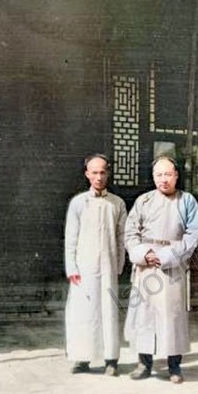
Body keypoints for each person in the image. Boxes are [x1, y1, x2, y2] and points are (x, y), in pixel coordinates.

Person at [124, 156, 198, 384]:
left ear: (176, 175)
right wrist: (142, 254)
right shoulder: (143, 201)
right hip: (146, 264)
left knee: (172, 315)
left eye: (168, 174)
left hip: (172, 262)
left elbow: (192, 235)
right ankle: (143, 363)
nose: (163, 180)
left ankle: (174, 365)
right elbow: (130, 233)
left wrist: (168, 256)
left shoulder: (187, 201)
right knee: (144, 314)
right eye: (159, 175)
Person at [64, 154, 127, 376]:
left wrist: (118, 266)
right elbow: (71, 237)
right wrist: (72, 268)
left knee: (108, 311)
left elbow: (121, 238)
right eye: (94, 172)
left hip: (109, 266)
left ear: (108, 173)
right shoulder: (78, 203)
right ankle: (82, 359)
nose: (99, 177)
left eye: (102, 172)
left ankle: (111, 359)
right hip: (84, 267)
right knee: (83, 312)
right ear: (87, 174)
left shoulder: (117, 204)